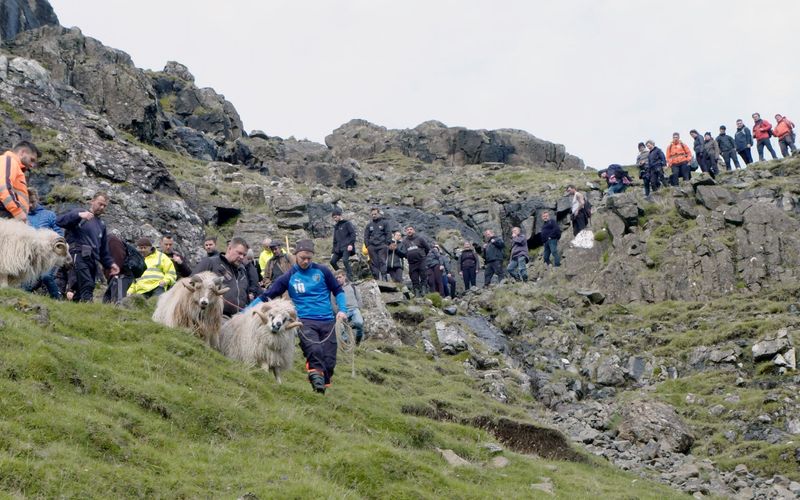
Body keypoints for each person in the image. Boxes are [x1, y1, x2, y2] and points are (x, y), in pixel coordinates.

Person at [256, 240, 348, 394]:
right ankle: (316, 383)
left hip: (328, 321)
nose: (306, 261)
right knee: (315, 349)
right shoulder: (289, 276)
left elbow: (338, 291)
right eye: (302, 258)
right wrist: (248, 309)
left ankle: (322, 389)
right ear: (295, 255)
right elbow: (267, 296)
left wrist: (342, 309)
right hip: (304, 321)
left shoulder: (323, 271)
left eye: (309, 258)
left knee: (330, 360)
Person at [56, 192, 119, 302]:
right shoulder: (79, 213)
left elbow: (103, 251)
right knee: (87, 285)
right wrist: (79, 216)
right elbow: (59, 221)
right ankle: (89, 307)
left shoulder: (102, 225)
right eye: (100, 204)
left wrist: (111, 264)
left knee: (82, 289)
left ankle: (76, 309)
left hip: (92, 259)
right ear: (92, 201)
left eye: (105, 206)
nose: (102, 207)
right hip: (77, 254)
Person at [192, 237, 250, 317]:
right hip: (215, 316)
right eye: (239, 253)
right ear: (229, 248)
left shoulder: (242, 271)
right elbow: (191, 284)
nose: (242, 257)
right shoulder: (210, 262)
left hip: (239, 318)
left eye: (244, 255)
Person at [23, 188, 63, 299]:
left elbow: (59, 234)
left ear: (38, 199)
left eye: (32, 202)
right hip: (30, 257)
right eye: (27, 202)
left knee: (46, 276)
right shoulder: (23, 217)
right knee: (25, 286)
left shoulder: (49, 215)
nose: (30, 205)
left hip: (48, 256)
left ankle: (57, 299)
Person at [0, 140, 39, 221]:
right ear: (22, 152)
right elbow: (3, 186)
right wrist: (18, 212)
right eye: (32, 159)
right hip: (5, 216)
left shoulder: (15, 166)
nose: (32, 165)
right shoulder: (8, 160)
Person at [335, 270, 365, 345]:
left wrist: (359, 308)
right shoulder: (334, 289)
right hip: (343, 312)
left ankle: (358, 341)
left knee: (359, 323)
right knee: (341, 329)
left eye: (339, 277)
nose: (338, 279)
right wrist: (338, 312)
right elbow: (333, 303)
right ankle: (346, 345)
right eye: (336, 278)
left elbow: (359, 298)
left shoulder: (352, 286)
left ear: (344, 277)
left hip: (354, 309)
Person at [363, 207, 393, 280]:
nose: (374, 215)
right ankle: (376, 279)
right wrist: (368, 245)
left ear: (379, 213)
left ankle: (384, 278)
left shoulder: (385, 223)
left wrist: (386, 244)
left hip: (382, 245)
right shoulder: (369, 225)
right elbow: (366, 236)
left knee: (382, 261)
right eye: (372, 214)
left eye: (375, 214)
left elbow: (388, 233)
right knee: (373, 263)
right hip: (372, 247)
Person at [402, 225, 430, 297]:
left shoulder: (420, 238)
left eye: (411, 229)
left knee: (424, 275)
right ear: (406, 232)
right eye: (407, 230)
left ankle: (424, 291)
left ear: (413, 230)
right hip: (412, 263)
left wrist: (423, 255)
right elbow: (403, 252)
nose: (409, 231)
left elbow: (427, 248)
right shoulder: (404, 241)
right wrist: (408, 256)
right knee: (414, 278)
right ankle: (417, 294)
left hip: (421, 261)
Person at [330, 207, 356, 281]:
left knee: (345, 260)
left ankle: (350, 277)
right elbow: (334, 241)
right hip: (338, 249)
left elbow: (353, 234)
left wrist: (351, 244)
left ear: (340, 215)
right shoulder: (336, 227)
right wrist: (333, 252)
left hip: (347, 247)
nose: (335, 219)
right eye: (333, 217)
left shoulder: (347, 223)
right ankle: (341, 274)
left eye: (335, 217)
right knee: (332, 261)